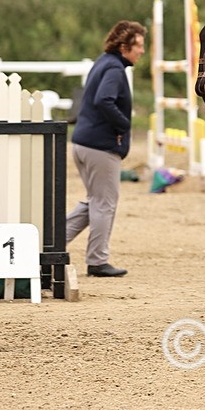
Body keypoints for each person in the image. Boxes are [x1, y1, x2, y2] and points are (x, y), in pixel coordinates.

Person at [65, 20, 146, 277]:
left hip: (82, 143)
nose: (142, 51)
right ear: (124, 46)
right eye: (139, 46)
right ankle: (97, 261)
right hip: (100, 147)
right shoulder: (114, 69)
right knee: (105, 204)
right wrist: (123, 126)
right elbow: (104, 100)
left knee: (94, 202)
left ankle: (50, 243)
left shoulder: (102, 62)